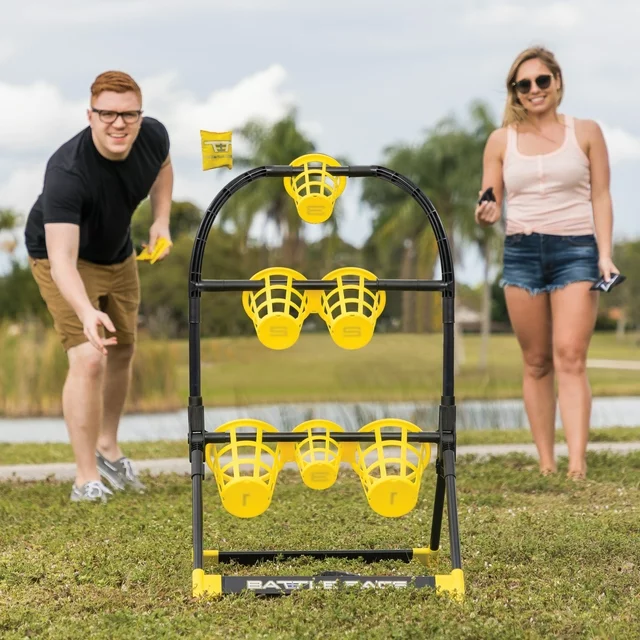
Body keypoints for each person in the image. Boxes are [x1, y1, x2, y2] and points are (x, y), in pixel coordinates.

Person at [25, 70, 173, 502]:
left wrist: (161, 220)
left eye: (128, 114)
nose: (118, 124)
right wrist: (86, 311)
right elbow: (62, 262)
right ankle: (86, 478)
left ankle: (107, 448)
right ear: (90, 115)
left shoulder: (153, 137)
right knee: (90, 358)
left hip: (118, 253)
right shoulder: (67, 172)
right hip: (61, 259)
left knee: (123, 348)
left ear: (140, 115)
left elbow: (164, 168)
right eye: (107, 114)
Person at [475, 46, 619, 480]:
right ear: (515, 92)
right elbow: (490, 198)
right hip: (521, 253)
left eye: (542, 80)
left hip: (576, 250)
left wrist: (605, 254)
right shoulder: (501, 141)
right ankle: (546, 463)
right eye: (524, 84)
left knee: (570, 355)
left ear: (557, 82)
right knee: (537, 361)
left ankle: (576, 464)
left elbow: (601, 196)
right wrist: (487, 212)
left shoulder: (586, 132)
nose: (534, 89)